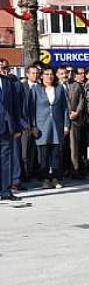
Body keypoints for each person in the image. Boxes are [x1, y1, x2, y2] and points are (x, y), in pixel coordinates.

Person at [29, 67, 70, 189]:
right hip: (42, 126)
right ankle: (45, 179)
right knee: (44, 154)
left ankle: (56, 178)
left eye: (51, 74)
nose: (49, 76)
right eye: (46, 74)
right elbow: (31, 109)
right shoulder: (36, 89)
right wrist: (33, 126)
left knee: (56, 153)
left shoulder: (59, 89)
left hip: (57, 125)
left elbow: (65, 109)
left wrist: (66, 125)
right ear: (42, 76)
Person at [0, 68, 22, 201]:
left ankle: (6, 191)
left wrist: (17, 126)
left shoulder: (8, 82)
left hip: (7, 127)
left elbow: (15, 106)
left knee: (6, 160)